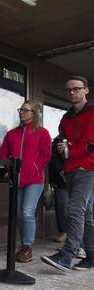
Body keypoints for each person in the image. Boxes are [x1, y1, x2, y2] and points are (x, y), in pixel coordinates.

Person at [42, 76, 94, 271]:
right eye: (69, 90)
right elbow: (61, 143)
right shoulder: (66, 118)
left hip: (88, 168)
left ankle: (67, 255)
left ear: (86, 90)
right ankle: (92, 256)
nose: (72, 92)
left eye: (77, 89)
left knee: (75, 210)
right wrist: (63, 159)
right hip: (71, 169)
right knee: (86, 214)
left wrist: (70, 148)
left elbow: (90, 143)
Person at [0, 101, 51, 262]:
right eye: (20, 110)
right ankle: (22, 244)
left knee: (27, 212)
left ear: (34, 113)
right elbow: (3, 154)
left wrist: (35, 168)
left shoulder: (42, 133)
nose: (21, 113)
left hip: (34, 180)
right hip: (16, 179)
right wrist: (9, 170)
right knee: (18, 213)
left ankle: (27, 247)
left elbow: (45, 155)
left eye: (25, 110)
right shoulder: (12, 133)